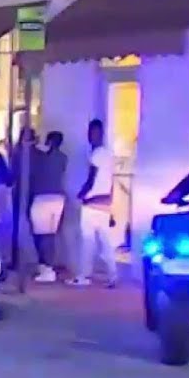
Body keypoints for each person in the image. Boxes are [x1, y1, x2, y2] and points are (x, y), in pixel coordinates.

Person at [70, 119, 118, 287]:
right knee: (105, 241)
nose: (91, 136)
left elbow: (92, 178)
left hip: (91, 202)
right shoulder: (109, 154)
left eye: (93, 133)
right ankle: (112, 275)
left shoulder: (96, 154)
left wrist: (82, 194)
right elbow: (111, 180)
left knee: (88, 241)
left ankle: (84, 275)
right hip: (103, 201)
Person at [30, 131, 69, 283]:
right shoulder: (63, 158)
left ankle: (46, 268)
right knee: (50, 234)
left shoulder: (42, 158)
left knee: (42, 235)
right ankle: (48, 267)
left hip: (43, 197)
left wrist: (33, 145)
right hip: (58, 198)